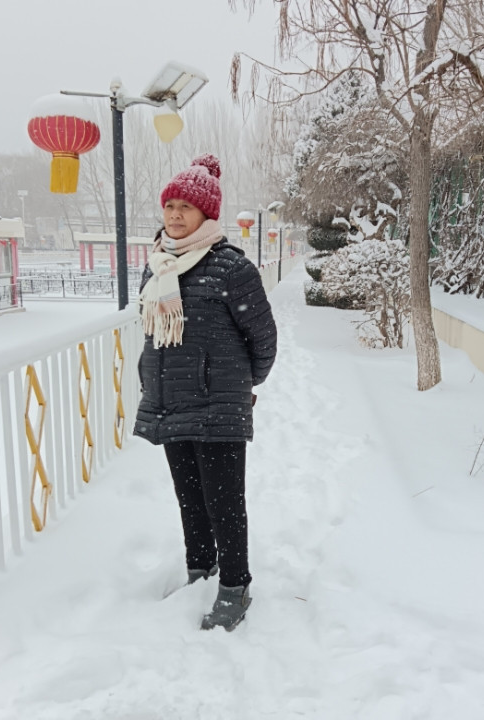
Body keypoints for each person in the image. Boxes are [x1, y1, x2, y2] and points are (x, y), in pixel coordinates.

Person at [134, 154, 277, 632]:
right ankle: (200, 572)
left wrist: (237, 386)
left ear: (207, 214)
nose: (175, 215)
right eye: (170, 205)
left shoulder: (231, 268)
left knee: (224, 503)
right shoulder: (157, 266)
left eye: (186, 207)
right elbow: (152, 334)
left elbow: (263, 340)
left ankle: (235, 586)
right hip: (170, 401)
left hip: (218, 406)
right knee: (190, 499)